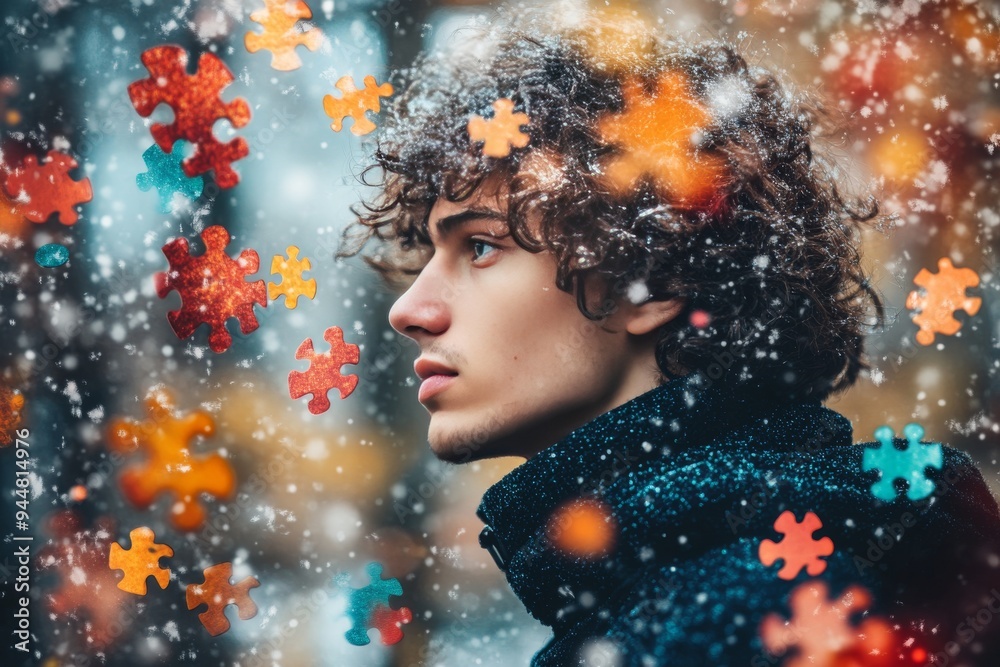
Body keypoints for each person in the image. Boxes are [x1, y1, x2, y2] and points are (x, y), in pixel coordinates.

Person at [336, 10, 1000, 666]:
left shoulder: (729, 617)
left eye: (480, 246)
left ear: (648, 282)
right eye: (429, 252)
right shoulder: (716, 577)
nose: (410, 308)